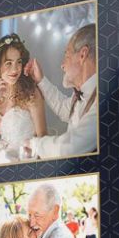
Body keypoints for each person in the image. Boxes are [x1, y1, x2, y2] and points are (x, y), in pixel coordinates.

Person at [22, 23, 98, 159]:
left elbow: (70, 148)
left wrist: (35, 144)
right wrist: (41, 80)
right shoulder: (82, 94)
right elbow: (63, 107)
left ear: (83, 55)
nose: (62, 65)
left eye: (66, 55)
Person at [0, 33, 46, 156]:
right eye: (8, 63)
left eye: (18, 62)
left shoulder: (31, 94)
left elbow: (43, 139)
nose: (15, 69)